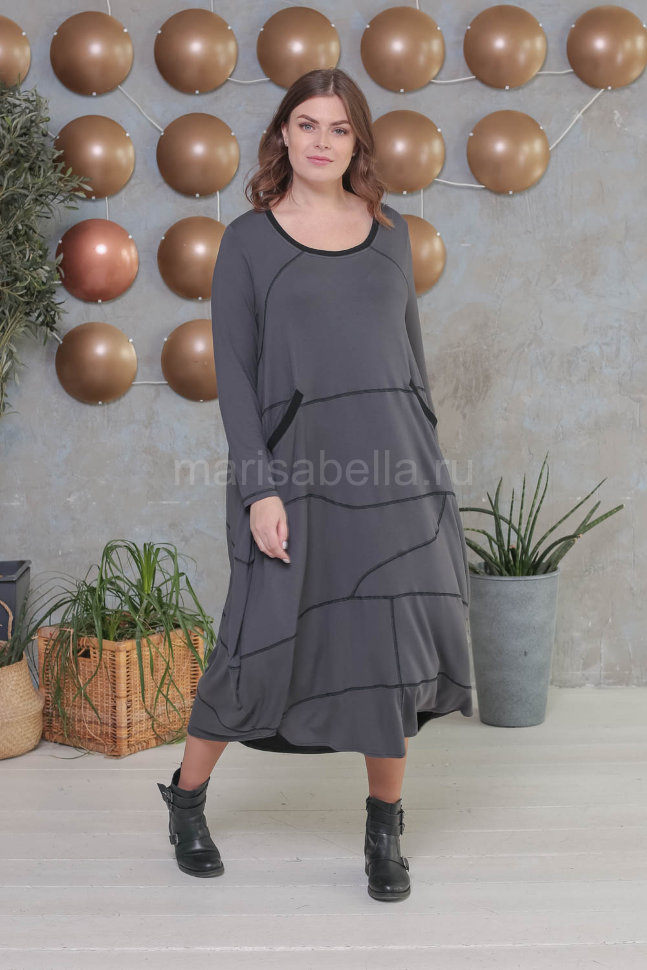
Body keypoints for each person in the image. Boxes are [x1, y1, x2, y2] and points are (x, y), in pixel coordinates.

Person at [158, 67, 473, 903]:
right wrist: (258, 490)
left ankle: (383, 831)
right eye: (307, 125)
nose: (322, 141)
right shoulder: (247, 242)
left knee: (385, 650)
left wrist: (428, 479)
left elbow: (410, 367)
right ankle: (185, 800)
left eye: (338, 128)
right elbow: (235, 381)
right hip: (292, 477)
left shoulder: (390, 233)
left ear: (356, 140)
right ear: (282, 136)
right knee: (254, 646)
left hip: (395, 473)